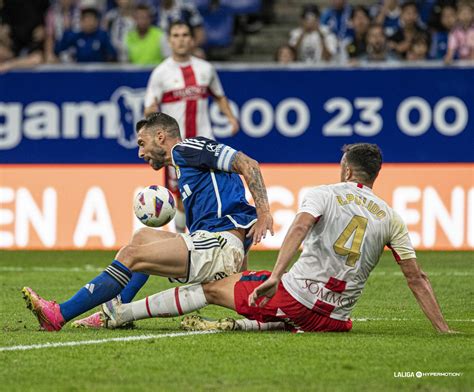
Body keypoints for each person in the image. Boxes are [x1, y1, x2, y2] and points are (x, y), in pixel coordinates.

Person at [102, 143, 455, 334]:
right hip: (336, 320)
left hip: (297, 300)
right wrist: (442, 329)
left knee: (214, 287)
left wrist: (275, 276)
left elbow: (299, 229)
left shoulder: (325, 193)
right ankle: (244, 325)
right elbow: (416, 278)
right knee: (269, 298)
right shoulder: (390, 216)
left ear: (346, 170)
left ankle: (121, 314)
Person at [22, 112, 274, 332]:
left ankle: (59, 314)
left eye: (142, 143)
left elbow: (248, 164)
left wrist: (264, 213)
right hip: (216, 245)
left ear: (161, 136)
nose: (140, 152)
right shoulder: (186, 168)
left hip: (217, 245)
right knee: (142, 238)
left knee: (132, 254)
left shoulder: (187, 149)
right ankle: (113, 310)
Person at [144, 21, 238, 233]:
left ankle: (210, 240)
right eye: (176, 35)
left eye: (185, 35)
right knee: (180, 198)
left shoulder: (205, 69)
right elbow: (149, 107)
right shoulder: (160, 73)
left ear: (192, 39)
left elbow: (219, 96)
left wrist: (231, 118)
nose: (181, 39)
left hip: (205, 145)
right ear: (169, 40)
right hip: (175, 148)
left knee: (209, 194)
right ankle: (181, 241)